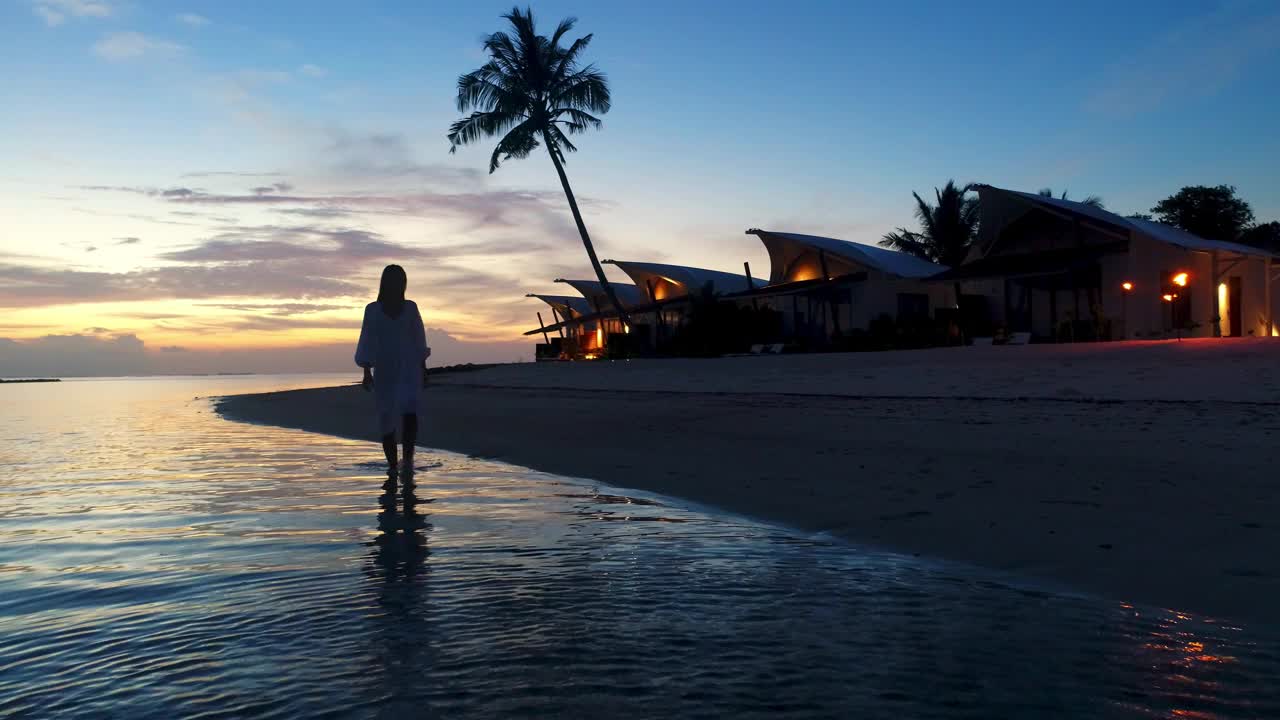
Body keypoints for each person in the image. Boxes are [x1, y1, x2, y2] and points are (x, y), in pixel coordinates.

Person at [355, 264, 430, 483]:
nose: (398, 284)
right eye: (395, 280)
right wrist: (366, 370)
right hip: (384, 368)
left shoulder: (410, 308)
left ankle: (407, 461)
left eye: (401, 280)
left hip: (409, 367)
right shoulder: (372, 309)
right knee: (386, 415)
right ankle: (392, 465)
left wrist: (423, 369)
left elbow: (419, 338)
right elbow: (366, 340)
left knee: (410, 412)